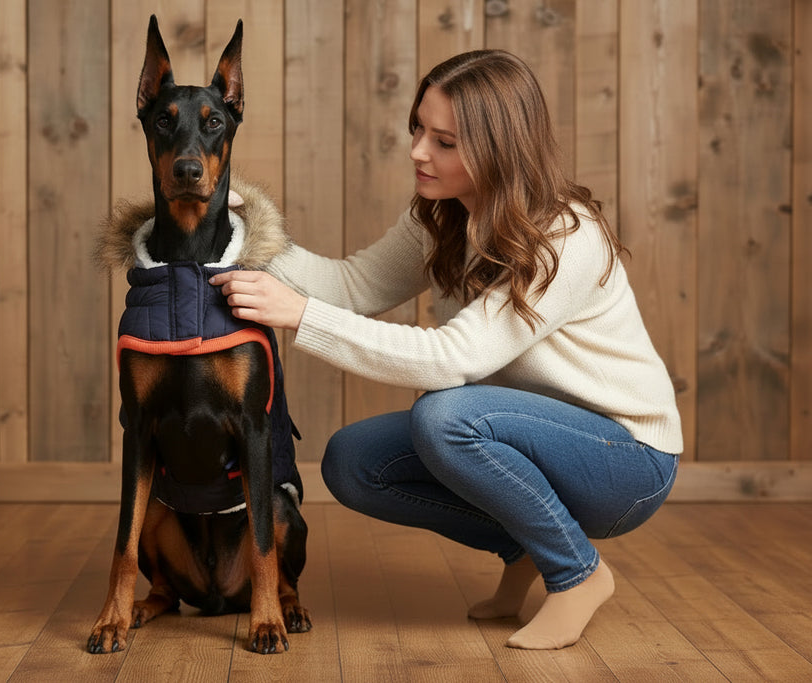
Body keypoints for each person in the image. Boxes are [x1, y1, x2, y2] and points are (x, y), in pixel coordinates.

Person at [210, 49, 682, 650]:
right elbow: (355, 286)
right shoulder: (442, 214)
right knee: (353, 462)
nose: (418, 152)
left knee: (445, 414)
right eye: (417, 129)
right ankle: (526, 548)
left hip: (626, 460)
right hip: (526, 436)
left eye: (445, 141)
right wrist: (249, 222)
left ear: (499, 149)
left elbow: (451, 360)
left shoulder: (563, 236)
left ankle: (578, 573)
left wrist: (300, 315)